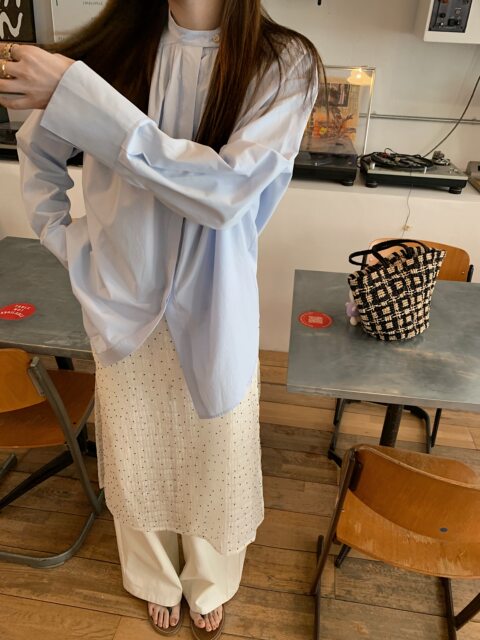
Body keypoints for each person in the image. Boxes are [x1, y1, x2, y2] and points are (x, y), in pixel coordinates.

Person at [0, 1, 322, 637]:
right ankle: (151, 574)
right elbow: (37, 151)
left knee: (216, 447)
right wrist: (67, 238)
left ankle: (210, 576)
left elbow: (225, 193)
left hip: (217, 298)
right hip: (122, 294)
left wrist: (84, 99)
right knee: (135, 444)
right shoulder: (114, 47)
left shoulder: (283, 63)